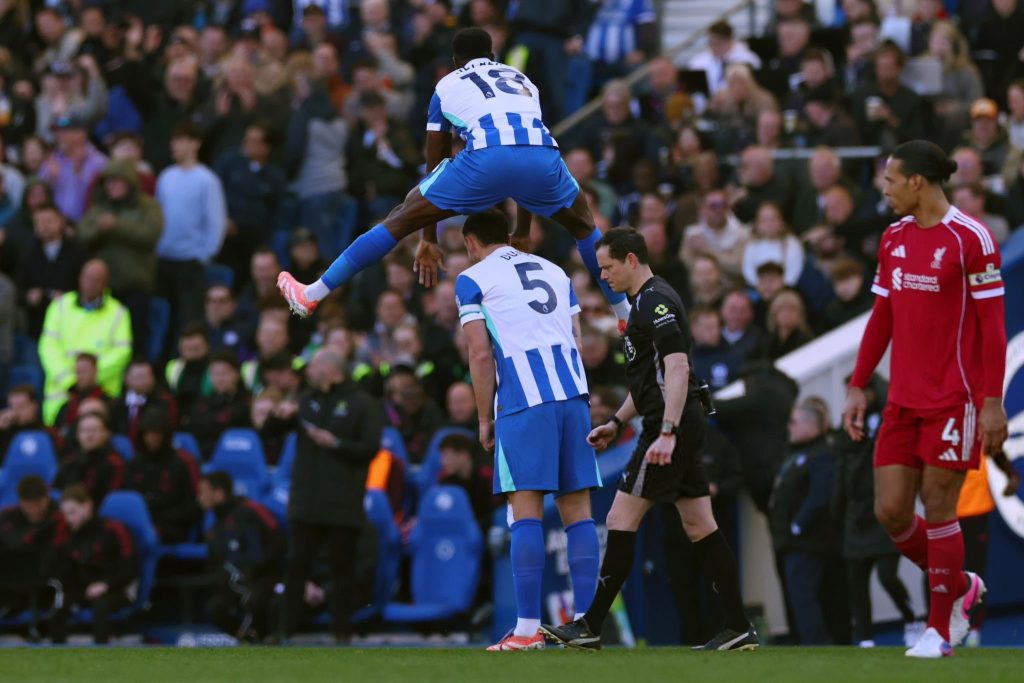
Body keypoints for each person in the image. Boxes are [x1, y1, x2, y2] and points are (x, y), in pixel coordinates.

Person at [278, 28, 631, 329]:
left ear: (455, 62)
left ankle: (312, 294)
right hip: (542, 155)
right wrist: (522, 229)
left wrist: (427, 234)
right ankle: (624, 313)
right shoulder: (521, 79)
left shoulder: (447, 84)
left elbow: (437, 155)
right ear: (493, 56)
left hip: (485, 159)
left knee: (400, 217)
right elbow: (521, 145)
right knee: (585, 228)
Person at [543, 227, 756, 651]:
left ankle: (591, 625)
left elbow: (676, 369)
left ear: (631, 260)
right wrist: (619, 422)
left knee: (621, 519)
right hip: (673, 419)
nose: (603, 275)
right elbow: (652, 379)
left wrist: (668, 433)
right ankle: (739, 627)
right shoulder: (644, 301)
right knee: (700, 525)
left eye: (608, 267)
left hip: (668, 425)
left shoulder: (656, 301)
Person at [843, 140, 1007, 658]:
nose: (884, 189)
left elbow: (994, 330)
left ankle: (940, 630)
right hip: (902, 401)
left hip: (953, 398)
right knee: (891, 511)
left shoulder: (971, 239)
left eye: (890, 180)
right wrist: (857, 384)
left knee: (939, 506)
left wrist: (991, 401)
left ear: (917, 181)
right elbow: (882, 317)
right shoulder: (892, 238)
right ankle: (961, 586)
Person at [455, 211, 601, 651]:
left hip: (524, 400)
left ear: (470, 243)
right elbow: (576, 338)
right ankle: (586, 623)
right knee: (579, 513)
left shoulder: (472, 279)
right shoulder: (555, 271)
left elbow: (481, 356)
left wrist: (484, 417)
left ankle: (525, 630)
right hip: (573, 396)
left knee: (525, 514)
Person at [265, 349, 382, 643]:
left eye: (314, 366)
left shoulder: (362, 404)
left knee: (342, 569)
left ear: (331, 370)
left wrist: (336, 443)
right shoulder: (306, 400)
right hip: (306, 503)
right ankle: (284, 631)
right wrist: (279, 417)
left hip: (342, 503)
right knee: (296, 567)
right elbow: (269, 432)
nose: (308, 371)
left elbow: (370, 448)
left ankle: (341, 633)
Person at [834, 374, 921, 648]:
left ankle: (912, 619)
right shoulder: (849, 422)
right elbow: (842, 462)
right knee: (856, 580)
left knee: (887, 575)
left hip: (884, 506)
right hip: (856, 512)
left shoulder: (889, 416)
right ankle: (866, 638)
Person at [769, 400, 840, 645]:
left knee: (805, 595)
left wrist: (798, 525)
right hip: (789, 541)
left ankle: (817, 643)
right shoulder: (793, 453)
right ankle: (804, 641)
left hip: (808, 542)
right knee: (797, 595)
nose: (789, 427)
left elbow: (820, 495)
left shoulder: (821, 454)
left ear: (811, 425)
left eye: (794, 421)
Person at [77, 159, 164, 356]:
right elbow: (82, 234)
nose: (112, 186)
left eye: (117, 181)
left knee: (134, 340)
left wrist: (118, 226)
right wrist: (99, 229)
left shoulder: (147, 207)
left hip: (135, 286)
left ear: (129, 182)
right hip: (104, 290)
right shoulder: (99, 208)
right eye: (108, 182)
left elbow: (151, 234)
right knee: (103, 340)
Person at [155, 123, 228, 335]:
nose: (174, 145)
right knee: (162, 321)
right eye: (173, 141)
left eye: (180, 140)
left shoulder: (206, 180)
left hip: (190, 261)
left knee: (188, 319)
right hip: (164, 258)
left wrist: (204, 254)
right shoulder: (166, 177)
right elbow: (158, 215)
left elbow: (217, 221)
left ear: (195, 144)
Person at [38, 259, 132, 425]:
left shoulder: (119, 313)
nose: (91, 283)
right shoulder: (59, 306)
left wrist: (89, 377)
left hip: (102, 396)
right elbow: (47, 347)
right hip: (60, 396)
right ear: (80, 279)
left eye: (97, 280)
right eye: (88, 277)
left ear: (106, 284)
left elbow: (122, 353)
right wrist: (69, 379)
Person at [199, 471, 285, 643]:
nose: (199, 498)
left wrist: (258, 568)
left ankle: (267, 638)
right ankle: (248, 640)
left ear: (219, 493)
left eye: (202, 492)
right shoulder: (215, 527)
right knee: (216, 607)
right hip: (234, 583)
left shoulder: (252, 510)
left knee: (254, 599)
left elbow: (279, 541)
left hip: (265, 577)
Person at [47, 484, 137, 645]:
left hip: (117, 588)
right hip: (85, 588)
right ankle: (56, 651)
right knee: (59, 605)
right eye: (65, 514)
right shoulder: (68, 535)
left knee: (100, 606)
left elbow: (129, 568)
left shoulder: (114, 530)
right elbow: (65, 571)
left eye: (73, 512)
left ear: (87, 506)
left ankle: (101, 652)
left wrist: (106, 584)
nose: (68, 519)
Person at [124, 409, 200, 544]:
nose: (152, 438)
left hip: (171, 525)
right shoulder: (133, 464)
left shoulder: (184, 463)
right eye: (148, 433)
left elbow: (194, 505)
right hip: (137, 522)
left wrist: (162, 517)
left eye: (156, 433)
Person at [0, 476, 65, 619]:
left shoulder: (59, 518)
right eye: (29, 506)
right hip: (8, 576)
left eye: (38, 504)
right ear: (21, 502)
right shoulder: (8, 516)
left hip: (44, 580)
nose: (34, 510)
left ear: (46, 497)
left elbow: (56, 554)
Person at [183, 351, 251, 459]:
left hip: (233, 457)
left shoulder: (246, 403)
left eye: (224, 373)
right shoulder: (201, 402)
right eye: (215, 373)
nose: (219, 378)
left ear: (237, 374)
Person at [53, 412, 126, 505]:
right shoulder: (70, 462)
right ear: (77, 435)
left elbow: (113, 499)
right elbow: (55, 491)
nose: (89, 435)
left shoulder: (115, 463)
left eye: (94, 430)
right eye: (84, 430)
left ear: (106, 433)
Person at [112, 359, 179, 445]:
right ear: (126, 379)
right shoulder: (116, 404)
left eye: (147, 376)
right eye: (138, 377)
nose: (143, 381)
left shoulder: (164, 401)